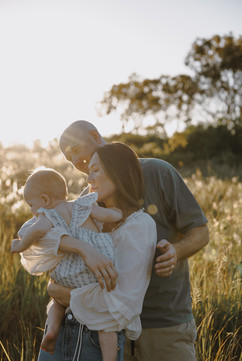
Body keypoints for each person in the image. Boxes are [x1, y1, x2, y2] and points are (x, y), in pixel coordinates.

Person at [48, 120, 209, 361]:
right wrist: (83, 250)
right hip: (105, 329)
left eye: (74, 149)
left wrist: (175, 251)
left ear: (95, 135)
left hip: (164, 324)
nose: (75, 162)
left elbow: (201, 232)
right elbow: (59, 256)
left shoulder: (158, 172)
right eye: (68, 158)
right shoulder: (86, 200)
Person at [11, 167, 125, 361]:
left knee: (57, 302)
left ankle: (53, 331)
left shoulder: (48, 216)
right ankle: (109, 358)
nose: (31, 211)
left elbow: (36, 232)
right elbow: (107, 216)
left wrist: (21, 245)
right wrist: (117, 213)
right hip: (98, 267)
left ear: (45, 200)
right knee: (106, 322)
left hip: (70, 272)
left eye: (31, 205)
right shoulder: (84, 205)